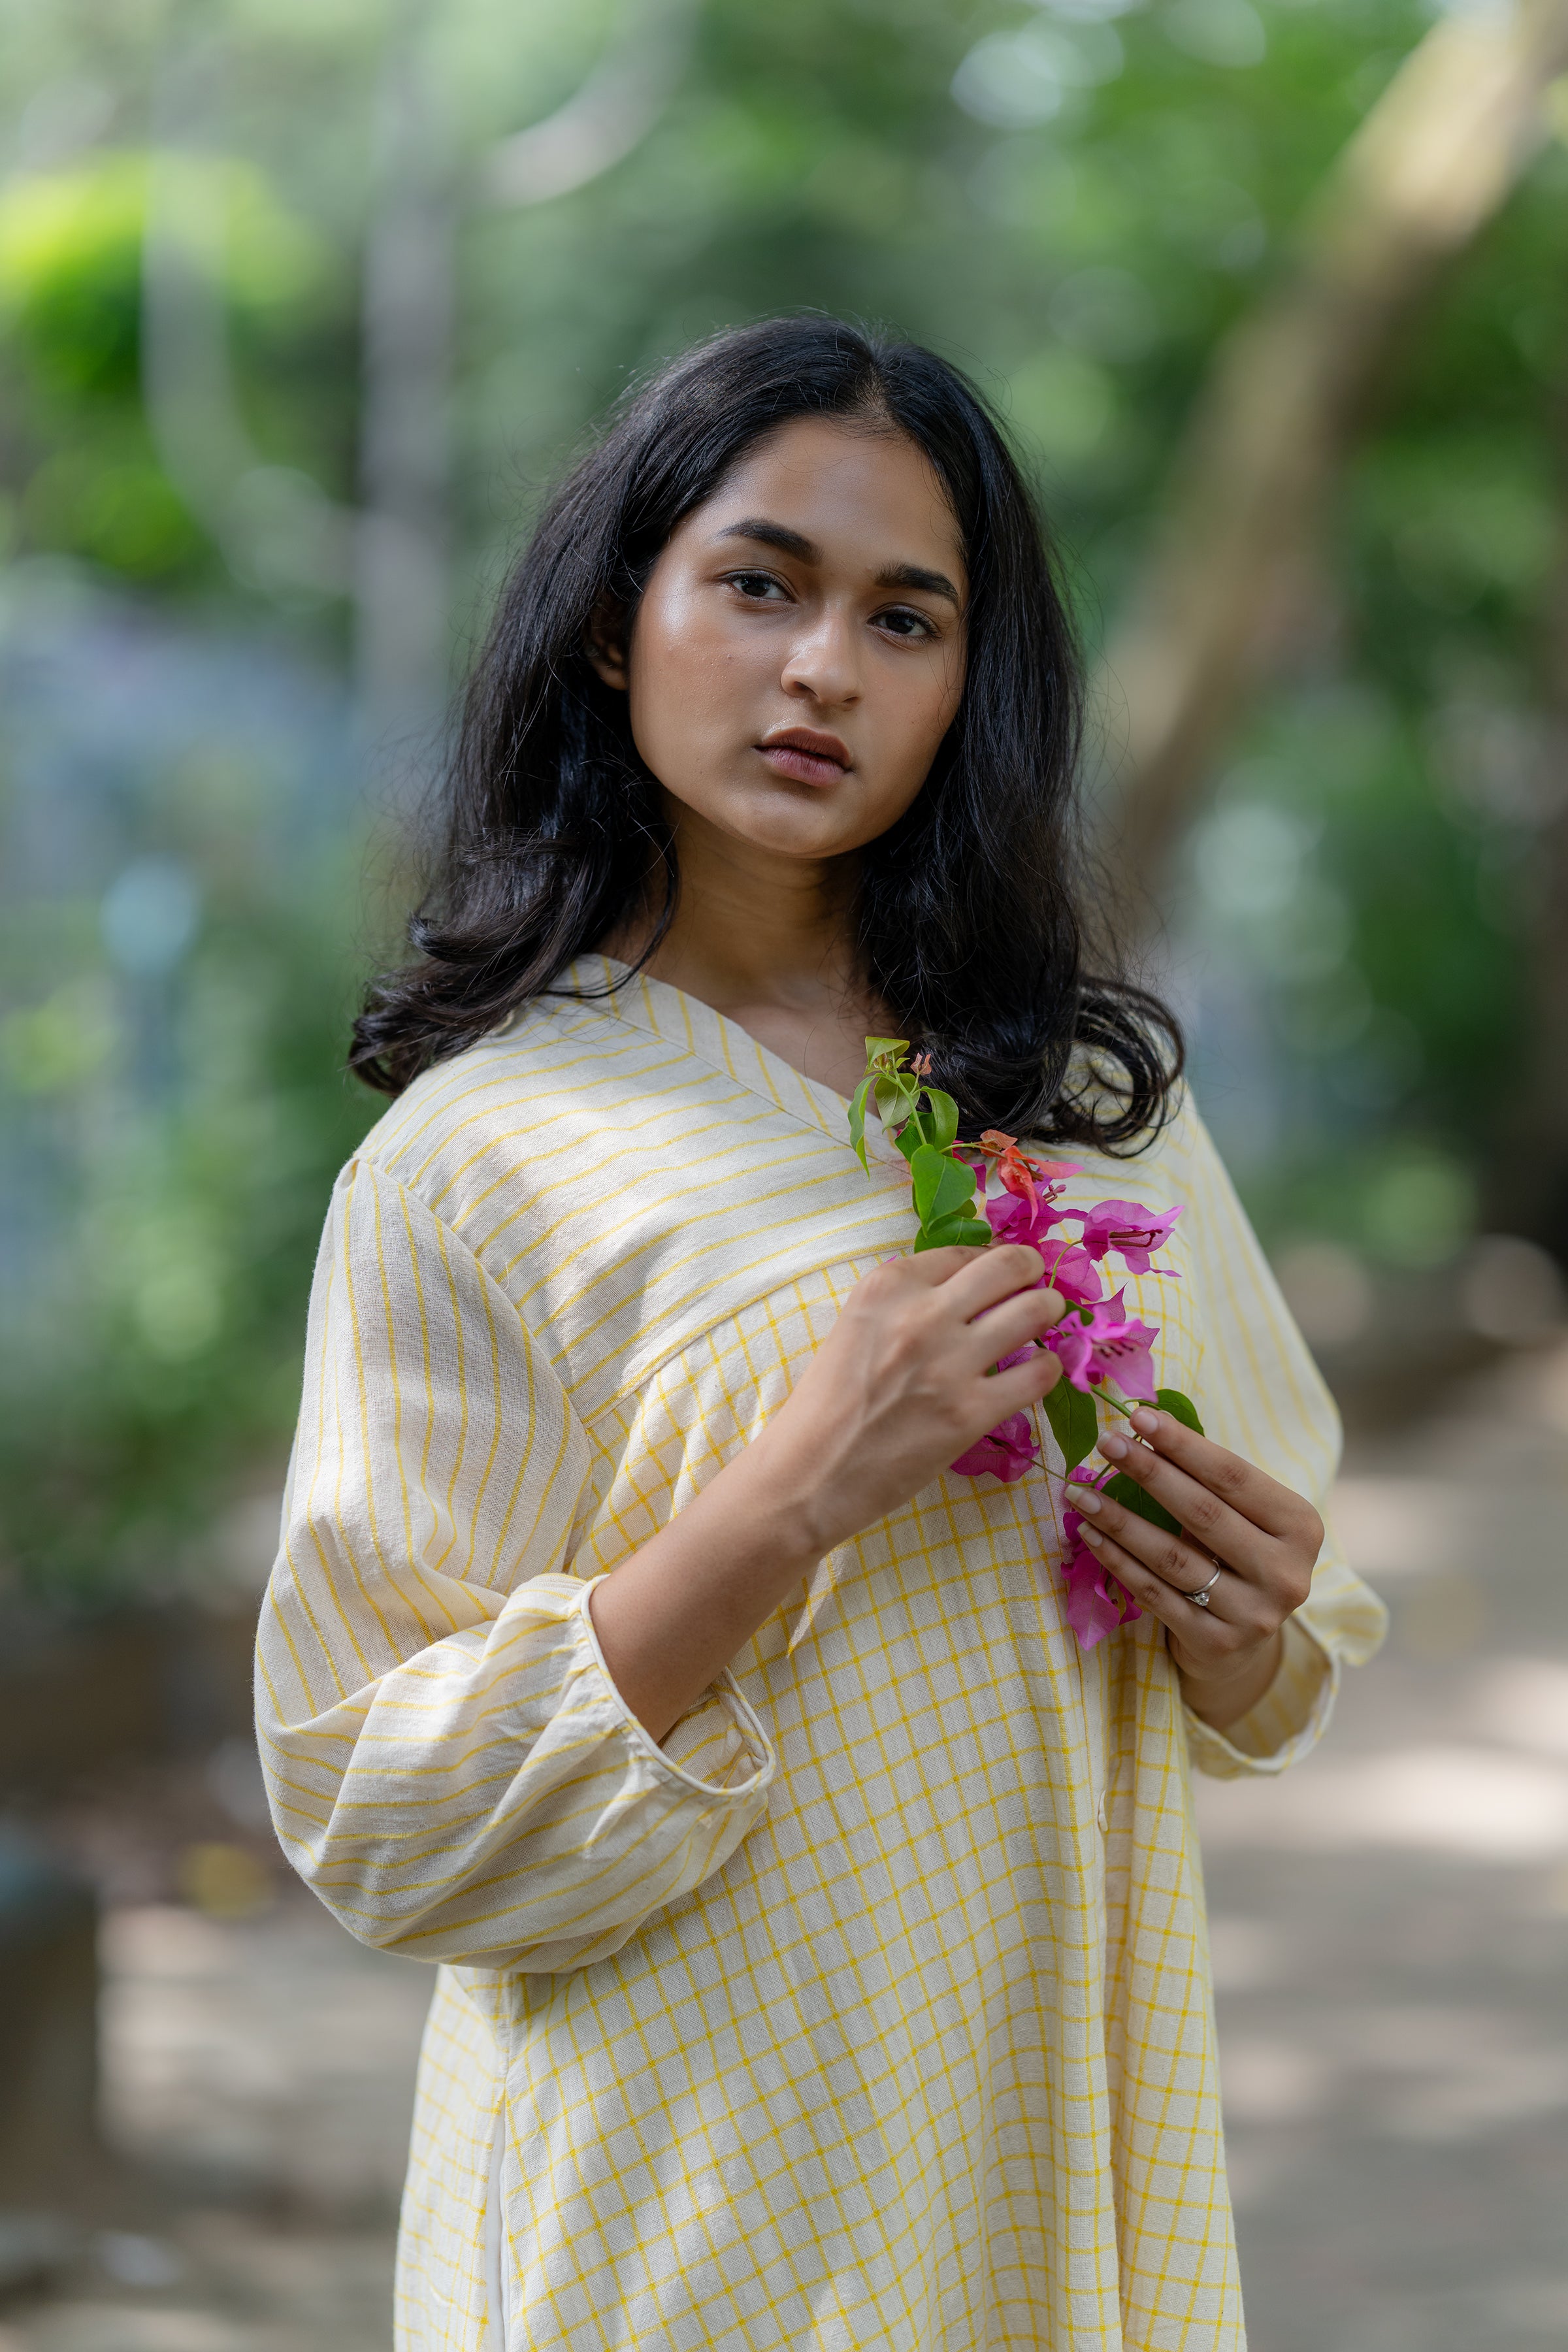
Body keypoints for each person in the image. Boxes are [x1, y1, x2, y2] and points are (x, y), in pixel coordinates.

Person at [257, 318, 1384, 2352]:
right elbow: (374, 1804)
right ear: (622, 623)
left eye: (905, 618)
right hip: (684, 2198)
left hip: (1050, 2146)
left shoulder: (1080, 1097)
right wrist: (789, 1492)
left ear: (970, 682)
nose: (822, 670)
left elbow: (1282, 1627)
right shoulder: (484, 1156)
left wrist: (1244, 1618)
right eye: (760, 583)